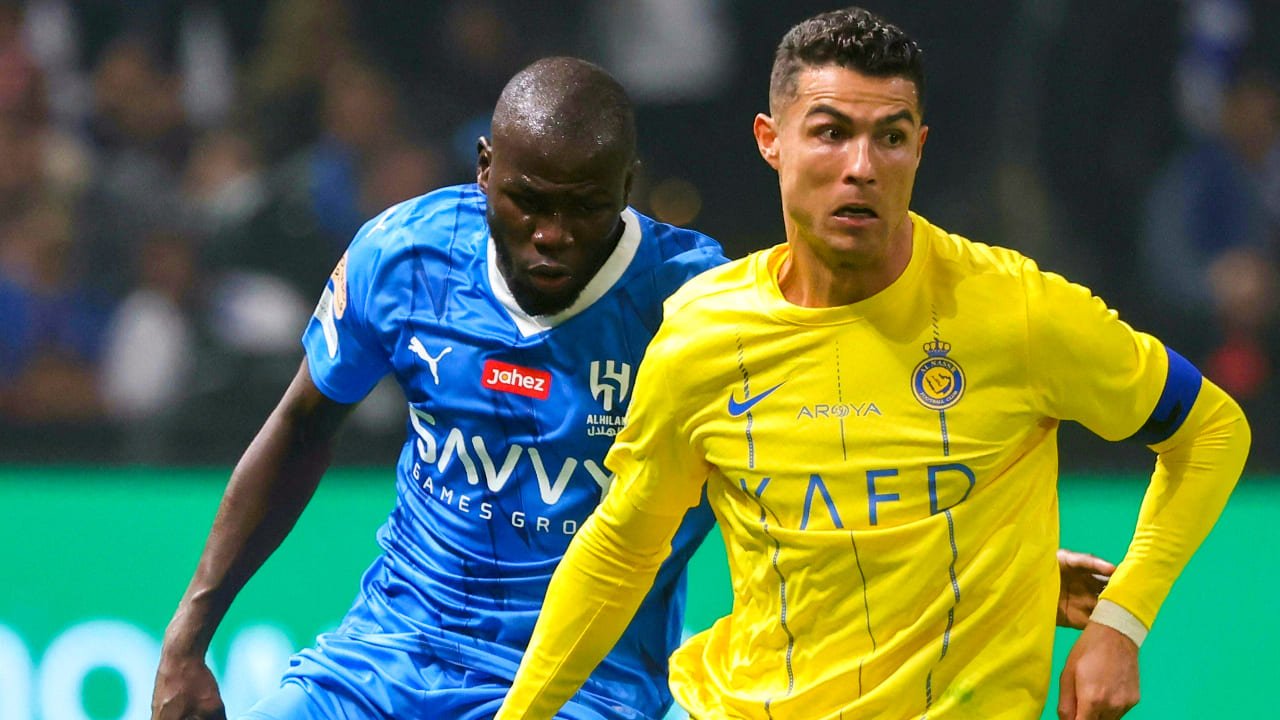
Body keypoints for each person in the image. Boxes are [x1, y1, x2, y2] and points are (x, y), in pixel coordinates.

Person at [152, 56, 1115, 720]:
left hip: (586, 683)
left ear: (630, 186)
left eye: (584, 206)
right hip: (386, 657)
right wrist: (188, 637)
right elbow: (300, 424)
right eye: (526, 200)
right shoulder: (405, 256)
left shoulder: (694, 302)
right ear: (486, 170)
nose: (552, 235)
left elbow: (822, 464)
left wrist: (998, 569)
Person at [496, 9, 1250, 720]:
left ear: (918, 148)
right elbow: (622, 547)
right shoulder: (703, 333)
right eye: (830, 133)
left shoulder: (1014, 310)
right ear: (771, 139)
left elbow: (1212, 429)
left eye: (889, 138)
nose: (861, 166)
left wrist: (1121, 622)